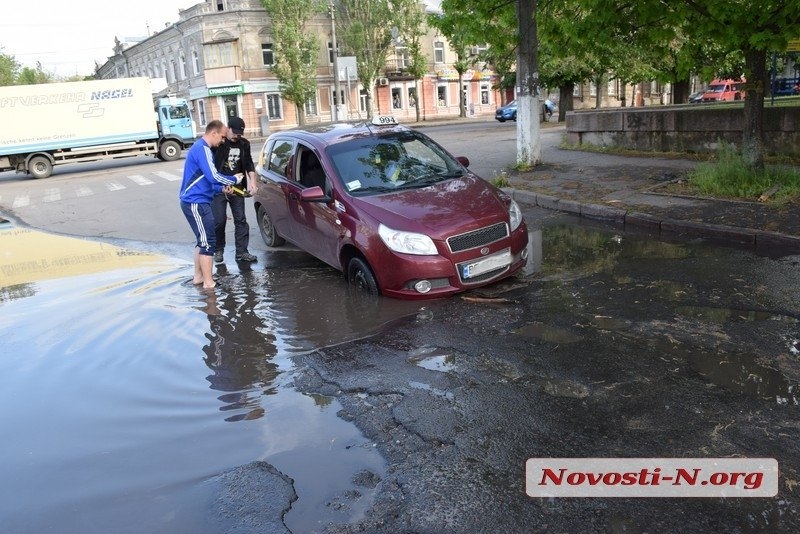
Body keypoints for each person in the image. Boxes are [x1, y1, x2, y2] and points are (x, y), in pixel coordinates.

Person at [179, 120, 242, 289]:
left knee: (203, 241)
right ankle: (208, 283)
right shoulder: (203, 149)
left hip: (197, 201)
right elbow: (214, 176)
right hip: (196, 202)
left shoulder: (201, 148)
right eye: (222, 137)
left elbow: (207, 181)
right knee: (208, 242)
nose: (222, 140)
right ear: (213, 133)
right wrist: (234, 179)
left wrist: (222, 189)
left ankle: (199, 277)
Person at [212, 116, 258, 264]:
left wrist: (253, 182)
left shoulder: (244, 144)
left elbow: (249, 163)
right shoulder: (220, 143)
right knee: (219, 221)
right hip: (219, 188)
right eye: (235, 132)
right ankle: (218, 250)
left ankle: (242, 252)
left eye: (240, 133)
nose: (237, 136)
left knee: (241, 220)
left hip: (237, 188)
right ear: (228, 128)